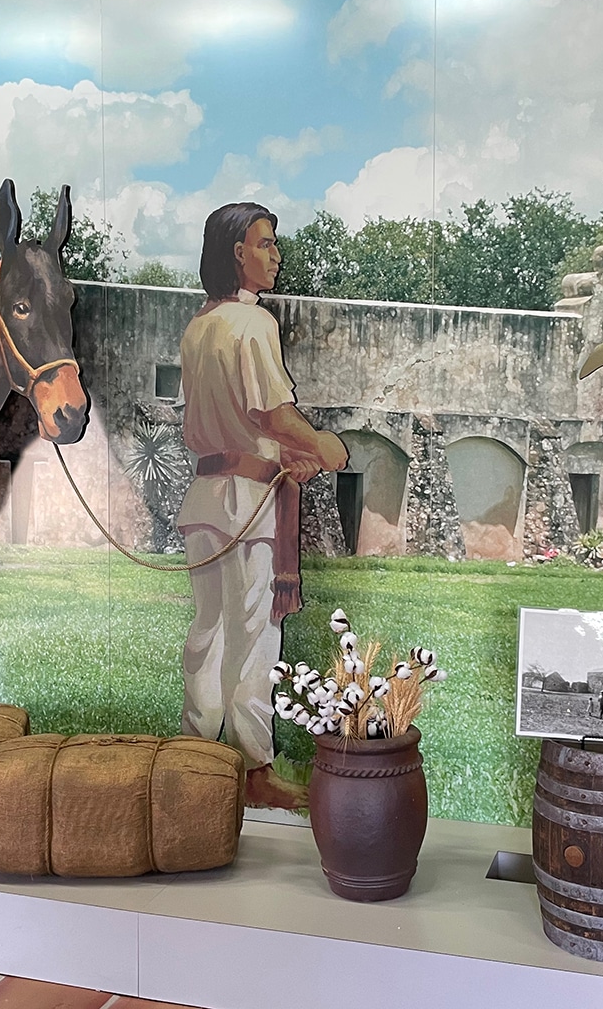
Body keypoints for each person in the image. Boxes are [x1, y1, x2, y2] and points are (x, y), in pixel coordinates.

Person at [176, 202, 349, 811]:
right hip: (246, 506)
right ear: (237, 253)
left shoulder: (198, 327)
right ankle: (254, 770)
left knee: (208, 631)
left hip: (206, 501)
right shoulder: (253, 324)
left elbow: (239, 425)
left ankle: (197, 755)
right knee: (253, 639)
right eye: (265, 243)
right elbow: (271, 415)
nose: (276, 255)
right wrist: (323, 445)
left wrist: (288, 452)